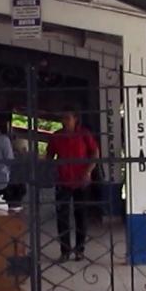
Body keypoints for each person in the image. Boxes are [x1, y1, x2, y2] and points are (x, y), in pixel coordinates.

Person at [46, 107, 99, 262]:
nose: (65, 121)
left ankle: (80, 250)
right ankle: (65, 251)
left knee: (80, 216)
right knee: (62, 217)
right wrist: (52, 169)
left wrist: (88, 170)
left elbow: (95, 153)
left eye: (68, 118)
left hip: (81, 181)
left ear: (75, 119)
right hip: (63, 181)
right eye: (63, 118)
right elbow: (49, 155)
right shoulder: (57, 136)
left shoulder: (84, 134)